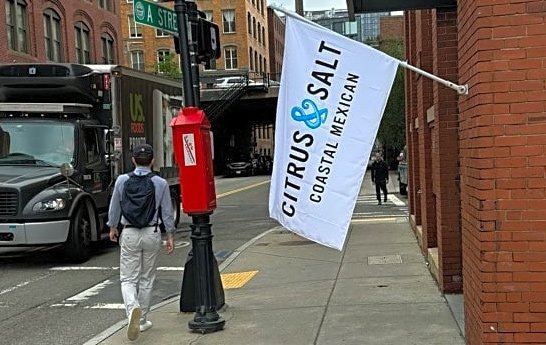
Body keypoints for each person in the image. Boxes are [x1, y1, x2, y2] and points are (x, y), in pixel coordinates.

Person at [107, 143, 175, 341]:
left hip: (129, 233)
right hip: (152, 232)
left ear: (134, 160)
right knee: (147, 277)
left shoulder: (121, 180)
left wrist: (112, 227)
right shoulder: (160, 183)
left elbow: (114, 207)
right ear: (153, 161)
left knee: (128, 279)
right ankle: (142, 319)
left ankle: (132, 310)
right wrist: (169, 235)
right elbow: (167, 212)